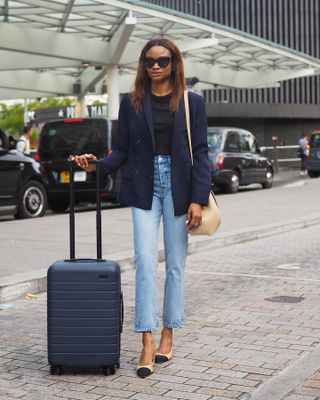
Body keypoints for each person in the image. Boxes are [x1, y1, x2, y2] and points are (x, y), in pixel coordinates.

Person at [74, 38, 211, 378]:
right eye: (149, 61)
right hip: (144, 185)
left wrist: (198, 198)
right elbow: (120, 151)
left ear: (174, 64)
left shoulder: (193, 103)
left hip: (180, 188)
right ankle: (147, 340)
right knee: (146, 263)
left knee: (176, 265)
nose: (155, 66)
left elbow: (203, 153)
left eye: (163, 61)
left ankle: (169, 333)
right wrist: (97, 165)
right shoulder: (132, 102)